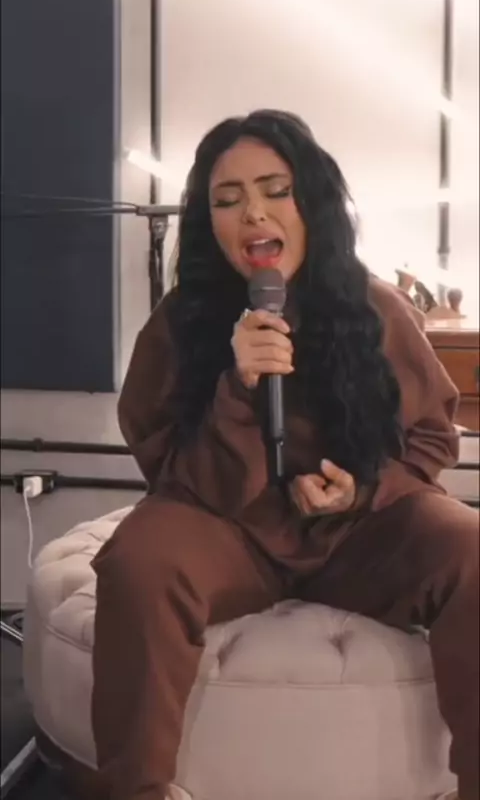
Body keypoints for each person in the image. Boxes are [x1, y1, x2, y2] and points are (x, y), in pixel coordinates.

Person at [91, 109, 479, 800]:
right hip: (229, 532)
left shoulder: (378, 308)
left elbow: (431, 437)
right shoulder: (180, 322)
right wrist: (238, 388)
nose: (253, 213)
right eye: (227, 199)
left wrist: (361, 490)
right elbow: (167, 470)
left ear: (312, 204)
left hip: (359, 538)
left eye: (275, 190)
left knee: (471, 544)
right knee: (138, 559)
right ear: (208, 221)